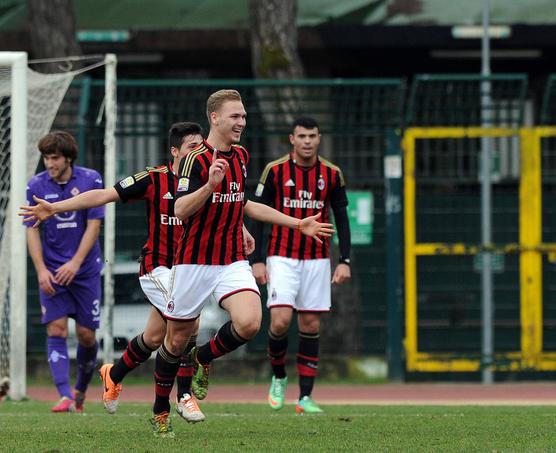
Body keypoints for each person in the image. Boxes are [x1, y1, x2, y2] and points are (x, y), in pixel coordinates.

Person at [20, 123, 237, 422]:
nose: (200, 152)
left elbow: (229, 210)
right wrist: (57, 208)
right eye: (192, 147)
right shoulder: (153, 179)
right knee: (190, 324)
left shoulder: (210, 177)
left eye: (202, 146)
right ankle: (184, 396)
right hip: (158, 268)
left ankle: (114, 373)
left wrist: (244, 231)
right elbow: (103, 195)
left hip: (190, 268)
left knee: (153, 337)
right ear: (175, 151)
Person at [150, 89, 334, 437]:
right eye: (236, 116)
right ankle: (161, 411)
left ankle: (204, 357)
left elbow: (243, 202)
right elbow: (179, 209)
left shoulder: (242, 155)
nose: (242, 122)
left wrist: (298, 223)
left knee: (250, 323)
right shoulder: (195, 159)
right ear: (215, 118)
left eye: (244, 116)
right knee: (175, 342)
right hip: (193, 261)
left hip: (231, 258)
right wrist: (209, 186)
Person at [250, 116, 351, 414]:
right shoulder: (275, 170)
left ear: (319, 139)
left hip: (318, 260)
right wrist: (256, 260)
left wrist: (344, 260)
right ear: (292, 139)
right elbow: (257, 213)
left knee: (310, 324)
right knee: (280, 321)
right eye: (302, 136)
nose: (307, 141)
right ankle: (279, 377)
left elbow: (342, 220)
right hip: (281, 256)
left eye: (312, 136)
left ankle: (305, 397)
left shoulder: (332, 174)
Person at [24, 131, 104, 413]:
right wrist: (42, 270)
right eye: (46, 157)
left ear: (68, 157)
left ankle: (80, 389)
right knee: (56, 328)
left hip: (85, 272)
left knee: (86, 335)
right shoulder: (35, 185)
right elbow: (32, 232)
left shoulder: (90, 179)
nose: (49, 163)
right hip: (53, 273)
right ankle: (64, 395)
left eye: (54, 157)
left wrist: (75, 263)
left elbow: (94, 225)